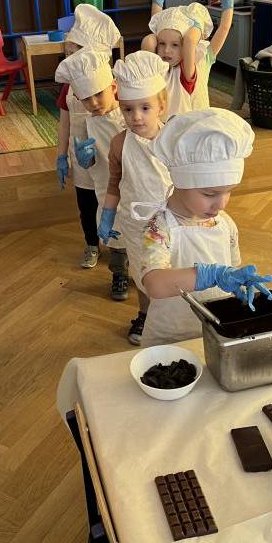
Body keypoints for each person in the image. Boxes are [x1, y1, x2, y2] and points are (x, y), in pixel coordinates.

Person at [133, 108, 272, 347]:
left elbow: (231, 266)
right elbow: (155, 284)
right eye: (210, 194)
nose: (221, 204)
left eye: (228, 192)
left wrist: (237, 282)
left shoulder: (225, 224)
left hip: (216, 329)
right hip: (170, 338)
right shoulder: (159, 229)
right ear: (180, 182)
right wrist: (211, 275)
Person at [97, 51, 172, 345]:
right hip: (136, 222)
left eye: (145, 108)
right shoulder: (119, 143)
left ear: (161, 106)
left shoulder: (173, 140)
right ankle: (145, 315)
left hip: (171, 220)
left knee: (172, 268)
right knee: (143, 272)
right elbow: (114, 184)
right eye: (128, 109)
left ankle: (175, 318)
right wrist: (107, 216)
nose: (136, 116)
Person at [55, 48, 129, 300]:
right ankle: (119, 274)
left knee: (142, 235)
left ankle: (144, 271)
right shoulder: (91, 122)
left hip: (136, 187)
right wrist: (85, 159)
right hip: (108, 190)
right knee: (117, 239)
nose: (94, 103)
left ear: (114, 87)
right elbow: (93, 161)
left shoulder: (130, 114)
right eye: (86, 99)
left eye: (99, 94)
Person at [55, 5, 121, 269]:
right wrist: (61, 155)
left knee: (112, 201)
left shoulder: (112, 87)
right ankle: (92, 244)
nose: (72, 59)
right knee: (86, 203)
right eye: (69, 54)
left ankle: (118, 248)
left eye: (77, 53)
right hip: (82, 156)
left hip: (110, 157)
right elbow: (64, 124)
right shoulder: (69, 90)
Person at [141, 0, 235, 117]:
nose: (166, 50)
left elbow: (223, 28)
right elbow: (155, 28)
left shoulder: (200, 58)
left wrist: (228, 0)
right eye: (162, 44)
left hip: (195, 124)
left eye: (175, 45)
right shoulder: (158, 67)